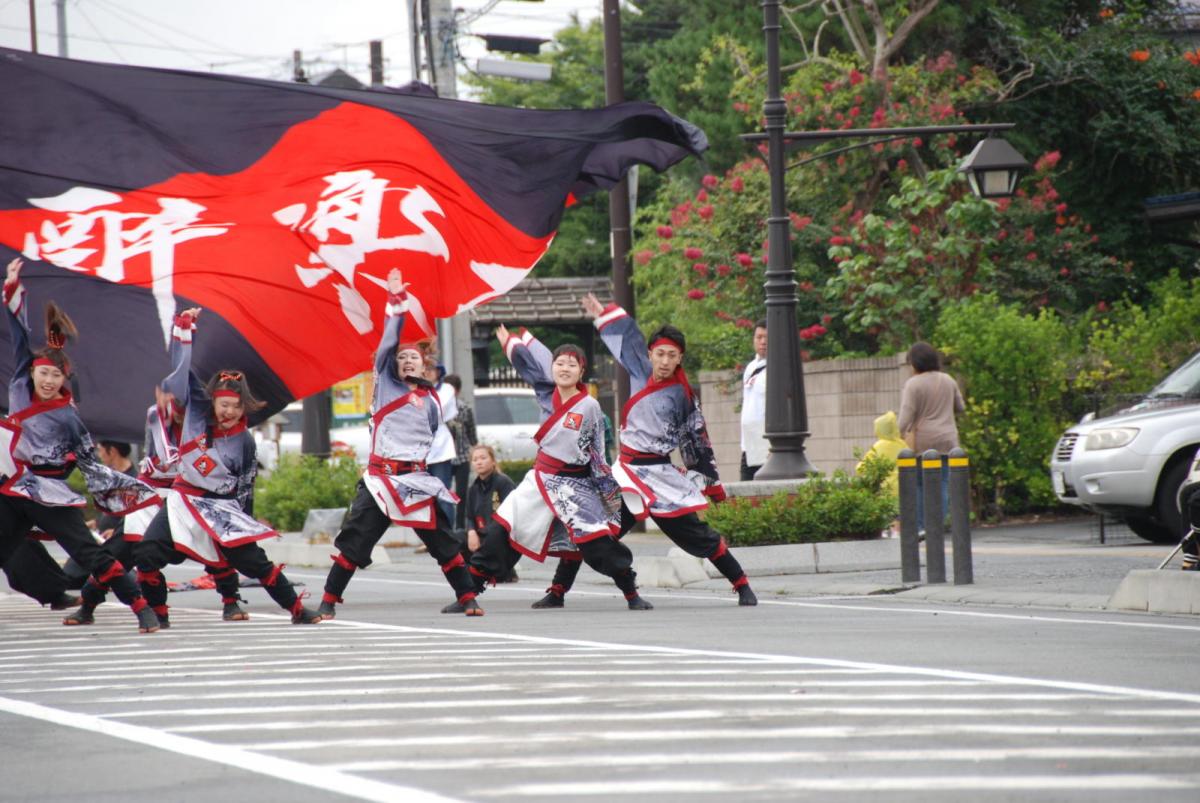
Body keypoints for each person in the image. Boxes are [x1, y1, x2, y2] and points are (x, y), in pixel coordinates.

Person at [527, 295, 756, 608]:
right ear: (650, 354)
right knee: (592, 527)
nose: (663, 361)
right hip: (626, 474)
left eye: (671, 355)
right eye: (659, 353)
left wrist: (709, 482)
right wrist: (604, 315)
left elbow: (696, 440)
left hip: (661, 476)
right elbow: (629, 337)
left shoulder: (683, 397)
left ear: (680, 359)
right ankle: (557, 591)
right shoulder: (638, 370)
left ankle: (741, 583)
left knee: (695, 533)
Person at [132, 307, 322, 628]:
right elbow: (179, 376)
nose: (229, 412)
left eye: (236, 406)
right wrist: (185, 333)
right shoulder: (195, 411)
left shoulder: (245, 441)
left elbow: (246, 487)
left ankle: (297, 609)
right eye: (224, 405)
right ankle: (159, 614)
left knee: (254, 561)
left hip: (221, 507)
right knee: (147, 554)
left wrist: (245, 521)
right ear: (213, 401)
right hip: (182, 501)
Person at [0, 256, 161, 632]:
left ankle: (142, 608)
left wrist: (116, 493)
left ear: (64, 379)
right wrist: (12, 291)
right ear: (33, 371)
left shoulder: (70, 417)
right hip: (12, 489)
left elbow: (89, 461)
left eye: (56, 375)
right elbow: (19, 333)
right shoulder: (21, 386)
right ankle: (54, 591)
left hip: (51, 492)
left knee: (91, 553)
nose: (49, 380)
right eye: (44, 372)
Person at [316, 269, 482, 619]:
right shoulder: (385, 386)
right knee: (355, 541)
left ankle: (468, 598)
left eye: (414, 358)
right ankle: (327, 602)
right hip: (380, 481)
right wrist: (396, 303)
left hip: (415, 482)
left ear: (426, 365)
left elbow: (434, 436)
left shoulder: (433, 399)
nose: (407, 360)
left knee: (442, 543)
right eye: (402, 357)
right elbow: (388, 344)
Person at [466, 325, 652, 610]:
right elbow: (530, 365)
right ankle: (468, 592)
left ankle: (630, 592)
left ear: (581, 372)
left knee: (595, 542)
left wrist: (607, 494)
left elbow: (597, 455)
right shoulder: (545, 392)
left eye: (572, 364)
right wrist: (512, 345)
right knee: (502, 528)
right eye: (559, 363)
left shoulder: (589, 406)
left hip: (573, 485)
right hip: (539, 480)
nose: (564, 368)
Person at [63, 396, 244, 626]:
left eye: (184, 404)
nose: (179, 411)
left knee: (212, 545)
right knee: (115, 553)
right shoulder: (157, 418)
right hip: (153, 495)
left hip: (190, 498)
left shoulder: (208, 426)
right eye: (175, 404)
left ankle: (231, 601)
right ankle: (89, 606)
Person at [897, 342, 964, 531]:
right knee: (942, 482)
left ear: (915, 363)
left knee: (919, 483)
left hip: (923, 440)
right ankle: (937, 526)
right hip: (947, 439)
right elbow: (961, 407)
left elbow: (906, 415)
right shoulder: (948, 379)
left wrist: (899, 434)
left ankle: (920, 526)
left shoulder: (913, 384)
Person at [463, 444, 516, 581]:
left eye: (483, 458)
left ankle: (501, 571)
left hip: (502, 535)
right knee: (456, 538)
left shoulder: (504, 482)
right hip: (482, 534)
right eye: (475, 459)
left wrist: (485, 533)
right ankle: (468, 573)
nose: (479, 462)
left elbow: (512, 513)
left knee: (494, 534)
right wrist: (471, 532)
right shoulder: (473, 488)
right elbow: (469, 517)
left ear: (493, 461)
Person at [424, 359, 458, 527]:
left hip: (441, 450)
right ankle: (431, 537)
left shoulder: (446, 389)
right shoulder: (416, 390)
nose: (428, 372)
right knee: (424, 498)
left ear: (439, 372)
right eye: (425, 368)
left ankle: (448, 534)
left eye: (432, 368)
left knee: (442, 494)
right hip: (419, 451)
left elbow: (435, 411)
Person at [443, 373, 477, 533]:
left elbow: (471, 432)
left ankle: (461, 528)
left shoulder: (464, 408)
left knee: (462, 493)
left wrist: (475, 449)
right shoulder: (440, 408)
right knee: (444, 493)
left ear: (457, 391)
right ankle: (446, 528)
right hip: (445, 457)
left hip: (462, 456)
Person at [740, 320, 768, 480]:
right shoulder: (750, 367)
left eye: (767, 337)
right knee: (745, 492)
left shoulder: (778, 367)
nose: (763, 341)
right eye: (759, 337)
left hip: (766, 442)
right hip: (748, 441)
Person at [855, 411, 907, 498]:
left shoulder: (879, 446)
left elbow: (861, 468)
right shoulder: (902, 445)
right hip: (904, 489)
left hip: (885, 490)